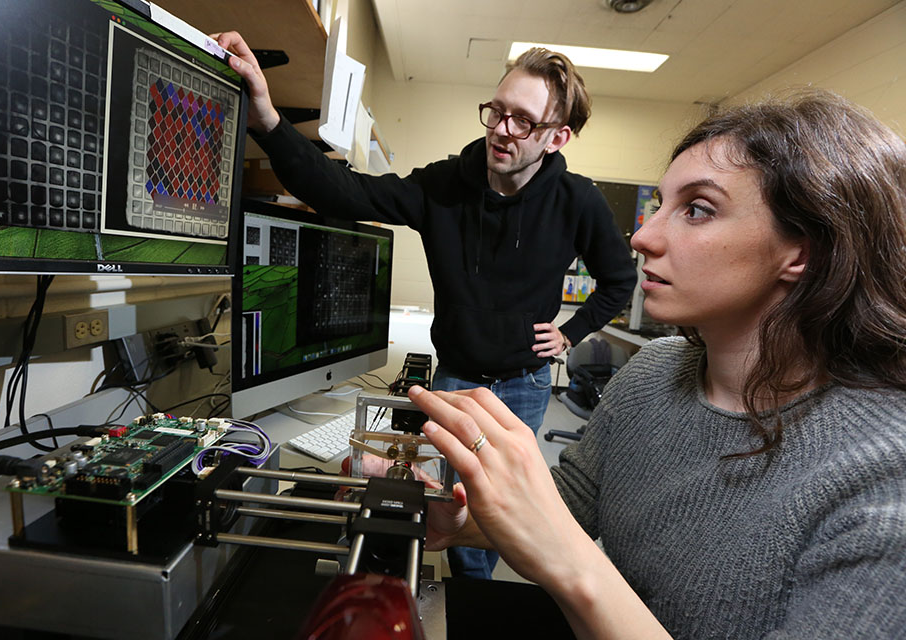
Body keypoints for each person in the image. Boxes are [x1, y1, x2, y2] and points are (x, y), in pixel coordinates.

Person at [405, 88, 906, 639]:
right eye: (660, 205)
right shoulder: (652, 373)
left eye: (697, 209)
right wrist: (460, 521)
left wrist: (573, 565)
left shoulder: (884, 474)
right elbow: (567, 508)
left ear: (804, 250)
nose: (643, 236)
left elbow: (565, 544)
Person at [216, 31, 637, 579]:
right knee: (442, 507)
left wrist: (572, 332)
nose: (501, 131)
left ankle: (470, 599)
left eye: (522, 121)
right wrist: (269, 122)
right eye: (497, 112)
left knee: (489, 521)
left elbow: (619, 278)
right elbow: (349, 195)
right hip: (456, 379)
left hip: (522, 385)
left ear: (556, 138)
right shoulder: (447, 185)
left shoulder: (577, 201)